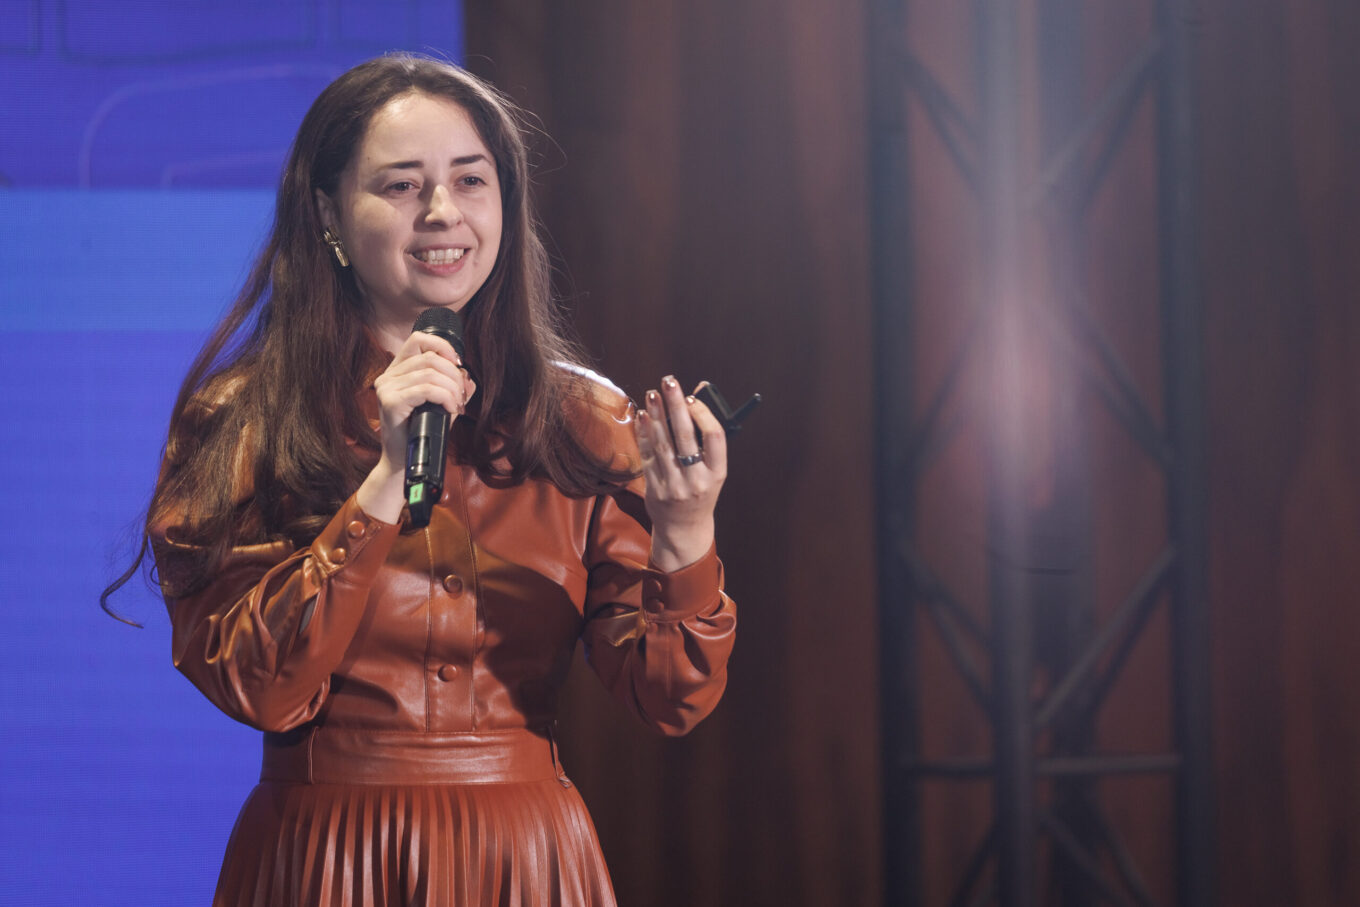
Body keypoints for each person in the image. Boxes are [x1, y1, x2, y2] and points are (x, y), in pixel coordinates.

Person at [110, 53, 736, 905]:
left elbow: (669, 701)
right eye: (403, 186)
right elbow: (258, 684)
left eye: (471, 180)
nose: (444, 211)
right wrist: (382, 482)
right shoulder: (243, 417)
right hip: (323, 855)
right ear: (328, 213)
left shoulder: (583, 420)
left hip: (524, 857)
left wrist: (685, 531)